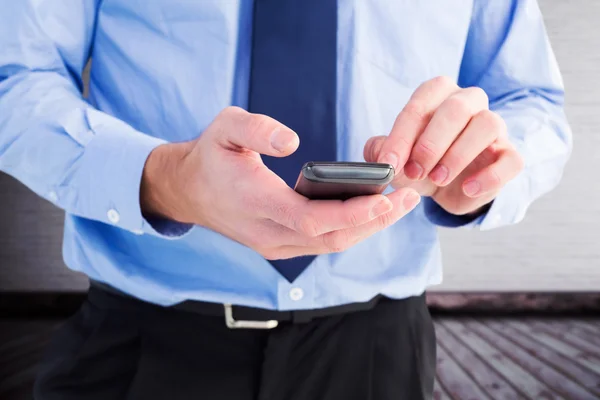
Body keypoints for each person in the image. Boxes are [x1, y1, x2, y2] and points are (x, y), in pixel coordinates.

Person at [0, 0, 571, 399]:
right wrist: (168, 180)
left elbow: (531, 102)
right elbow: (15, 79)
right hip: (142, 345)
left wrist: (477, 169)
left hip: (376, 355)